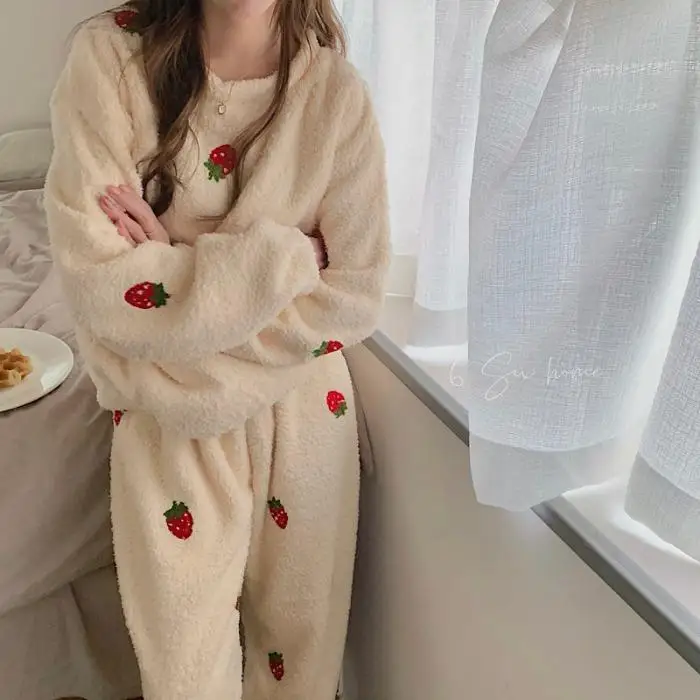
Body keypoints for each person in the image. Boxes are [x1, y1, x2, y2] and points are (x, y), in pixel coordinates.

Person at [44, 0, 390, 698]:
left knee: (301, 657)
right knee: (184, 667)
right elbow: (100, 281)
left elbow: (356, 294)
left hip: (296, 412)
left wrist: (173, 265)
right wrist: (288, 261)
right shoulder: (111, 60)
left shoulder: (335, 95)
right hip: (168, 417)